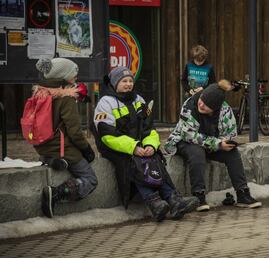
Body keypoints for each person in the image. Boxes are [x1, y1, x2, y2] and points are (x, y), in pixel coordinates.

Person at [93, 66, 198, 222]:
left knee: (155, 158)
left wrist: (150, 145)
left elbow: (149, 129)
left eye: (130, 80)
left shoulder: (139, 100)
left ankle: (173, 200)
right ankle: (154, 203)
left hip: (139, 145)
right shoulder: (105, 103)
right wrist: (133, 147)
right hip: (116, 148)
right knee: (135, 163)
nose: (128, 84)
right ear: (115, 83)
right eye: (124, 81)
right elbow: (107, 134)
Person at [165, 80, 262, 211]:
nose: (201, 104)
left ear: (215, 108)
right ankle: (198, 196)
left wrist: (224, 143)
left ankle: (243, 194)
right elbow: (189, 135)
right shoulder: (190, 105)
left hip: (212, 143)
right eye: (202, 100)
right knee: (197, 152)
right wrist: (217, 143)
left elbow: (230, 133)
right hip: (185, 141)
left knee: (232, 153)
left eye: (206, 105)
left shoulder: (225, 111)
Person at [35, 58, 97, 218]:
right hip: (63, 148)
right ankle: (55, 193)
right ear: (64, 76)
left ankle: (52, 160)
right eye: (73, 73)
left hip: (42, 146)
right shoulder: (66, 98)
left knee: (61, 157)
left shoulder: (39, 93)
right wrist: (86, 149)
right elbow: (75, 132)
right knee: (90, 179)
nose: (76, 77)